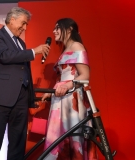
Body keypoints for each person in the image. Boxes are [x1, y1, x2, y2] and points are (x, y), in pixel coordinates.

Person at [0, 7, 50, 160]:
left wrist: (29, 96)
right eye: (23, 23)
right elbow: (4, 55)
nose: (25, 28)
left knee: (18, 143)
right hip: (0, 97)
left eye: (27, 25)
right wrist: (34, 52)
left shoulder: (21, 43)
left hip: (21, 98)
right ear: (12, 20)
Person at [41, 18, 98, 159]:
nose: (54, 31)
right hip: (61, 98)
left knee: (74, 135)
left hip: (73, 98)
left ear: (70, 29)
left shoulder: (77, 46)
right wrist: (51, 92)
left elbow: (85, 75)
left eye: (57, 28)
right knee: (59, 138)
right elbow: (64, 76)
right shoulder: (65, 49)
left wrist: (68, 85)